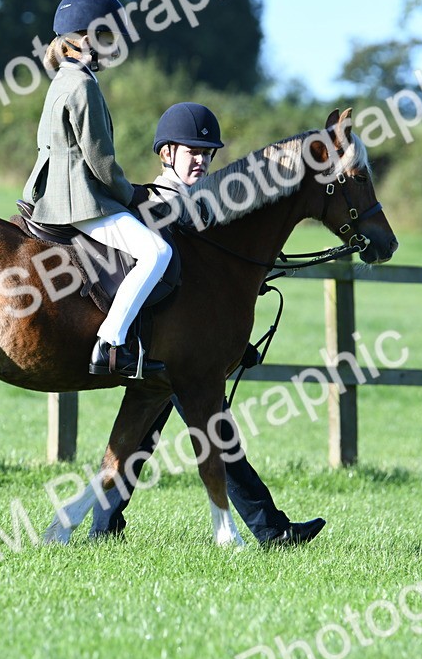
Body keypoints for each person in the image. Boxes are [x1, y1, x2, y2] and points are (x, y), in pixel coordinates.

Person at [88, 102, 327, 546]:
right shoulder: (158, 207)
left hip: (174, 349)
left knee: (147, 432)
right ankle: (271, 530)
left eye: (208, 152)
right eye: (191, 150)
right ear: (166, 153)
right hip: (159, 346)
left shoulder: (204, 207)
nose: (201, 159)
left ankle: (104, 528)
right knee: (212, 434)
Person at [23, 0, 172, 378]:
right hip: (79, 202)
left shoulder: (62, 80)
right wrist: (132, 193)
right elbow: (101, 161)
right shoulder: (84, 86)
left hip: (51, 193)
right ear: (85, 40)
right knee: (157, 252)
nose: (115, 45)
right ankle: (111, 343)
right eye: (110, 36)